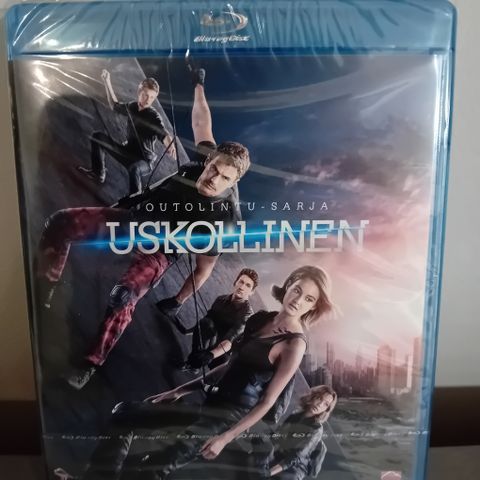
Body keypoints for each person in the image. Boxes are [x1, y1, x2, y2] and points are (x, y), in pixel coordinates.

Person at [35, 67, 251, 389]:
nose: (213, 179)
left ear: (233, 183)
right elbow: (201, 122)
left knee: (123, 296)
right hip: (134, 218)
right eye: (213, 169)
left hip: (159, 251)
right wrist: (198, 84)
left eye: (224, 178)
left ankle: (91, 363)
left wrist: (178, 300)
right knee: (60, 222)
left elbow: (205, 268)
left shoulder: (225, 221)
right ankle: (46, 286)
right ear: (209, 161)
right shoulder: (203, 164)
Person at [74, 266, 334, 479]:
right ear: (288, 285)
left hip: (229, 419)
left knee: (153, 467)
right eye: (297, 290)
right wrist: (178, 390)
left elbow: (267, 402)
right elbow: (230, 365)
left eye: (309, 299)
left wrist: (226, 438)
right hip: (210, 404)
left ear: (314, 306)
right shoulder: (260, 319)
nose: (298, 300)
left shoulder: (294, 344)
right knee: (124, 413)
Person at [78, 70, 176, 195]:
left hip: (143, 161)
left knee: (134, 168)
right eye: (145, 95)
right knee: (98, 137)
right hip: (126, 152)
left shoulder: (153, 116)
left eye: (152, 98)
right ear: (139, 92)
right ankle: (98, 174)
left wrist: (170, 144)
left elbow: (163, 133)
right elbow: (114, 105)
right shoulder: (132, 107)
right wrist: (107, 82)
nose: (148, 100)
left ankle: (135, 201)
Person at [178, 267, 258, 372]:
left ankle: (198, 364)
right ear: (235, 282)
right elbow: (204, 322)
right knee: (206, 323)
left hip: (224, 352)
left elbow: (229, 341)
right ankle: (193, 364)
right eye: (241, 282)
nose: (242, 287)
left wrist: (210, 355)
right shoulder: (221, 299)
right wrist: (186, 331)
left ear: (252, 292)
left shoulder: (247, 315)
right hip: (211, 339)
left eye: (248, 285)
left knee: (220, 369)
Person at [258, 385, 337, 480]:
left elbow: (296, 456)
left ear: (326, 410)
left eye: (326, 404)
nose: (320, 404)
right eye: (319, 398)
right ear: (313, 396)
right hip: (279, 456)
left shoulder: (316, 429)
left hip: (296, 466)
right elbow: (277, 437)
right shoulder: (295, 415)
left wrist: (269, 472)